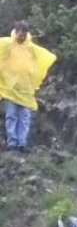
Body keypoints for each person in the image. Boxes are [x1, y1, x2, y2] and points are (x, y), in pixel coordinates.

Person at [0, 21, 56, 152]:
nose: (22, 37)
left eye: (24, 35)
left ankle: (22, 143)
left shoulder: (30, 47)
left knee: (24, 118)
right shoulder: (7, 44)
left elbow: (43, 56)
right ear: (16, 31)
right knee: (12, 116)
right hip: (11, 89)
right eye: (20, 34)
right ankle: (12, 143)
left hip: (26, 90)